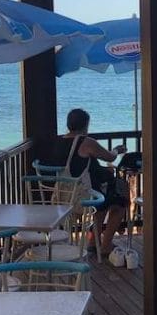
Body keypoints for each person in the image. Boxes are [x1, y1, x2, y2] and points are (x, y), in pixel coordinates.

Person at [51, 108, 128, 255]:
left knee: (105, 195)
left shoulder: (59, 142)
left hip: (62, 194)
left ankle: (95, 242)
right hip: (82, 197)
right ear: (85, 125)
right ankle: (104, 245)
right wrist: (117, 150)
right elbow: (109, 157)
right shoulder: (86, 142)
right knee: (120, 200)